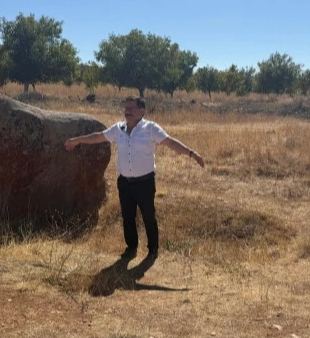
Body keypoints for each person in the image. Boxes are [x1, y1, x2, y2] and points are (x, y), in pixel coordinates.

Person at [64, 97, 205, 261]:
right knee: (127, 216)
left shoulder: (150, 128)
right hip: (125, 182)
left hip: (145, 182)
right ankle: (131, 248)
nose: (127, 111)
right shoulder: (119, 128)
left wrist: (191, 153)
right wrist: (77, 140)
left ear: (142, 111)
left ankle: (153, 250)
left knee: (148, 216)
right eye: (126, 108)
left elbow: (169, 142)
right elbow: (98, 137)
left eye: (131, 108)